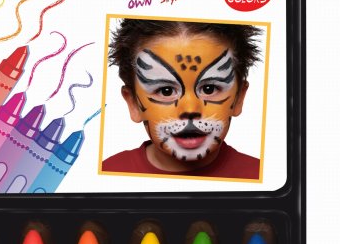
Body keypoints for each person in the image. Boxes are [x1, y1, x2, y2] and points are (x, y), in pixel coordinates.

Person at [101, 19, 262, 179]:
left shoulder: (261, 177)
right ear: (133, 104)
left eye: (209, 89)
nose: (190, 109)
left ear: (239, 98)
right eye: (166, 91)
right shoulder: (108, 175)